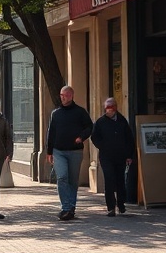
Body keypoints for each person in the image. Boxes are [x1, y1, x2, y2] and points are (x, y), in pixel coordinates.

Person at [46, 85, 93, 221]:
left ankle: (71, 207)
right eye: (61, 95)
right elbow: (51, 133)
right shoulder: (56, 113)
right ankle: (65, 207)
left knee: (73, 180)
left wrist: (81, 137)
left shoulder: (80, 112)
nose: (63, 97)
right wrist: (49, 152)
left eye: (66, 95)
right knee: (62, 178)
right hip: (58, 151)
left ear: (71, 96)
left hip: (75, 151)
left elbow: (90, 126)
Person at [92, 97, 136, 216]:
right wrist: (102, 146)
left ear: (116, 108)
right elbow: (94, 137)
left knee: (120, 180)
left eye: (112, 107)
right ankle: (111, 207)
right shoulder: (100, 122)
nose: (109, 110)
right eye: (107, 108)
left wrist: (129, 155)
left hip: (121, 156)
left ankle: (121, 204)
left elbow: (129, 139)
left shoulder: (122, 121)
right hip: (106, 156)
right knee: (109, 180)